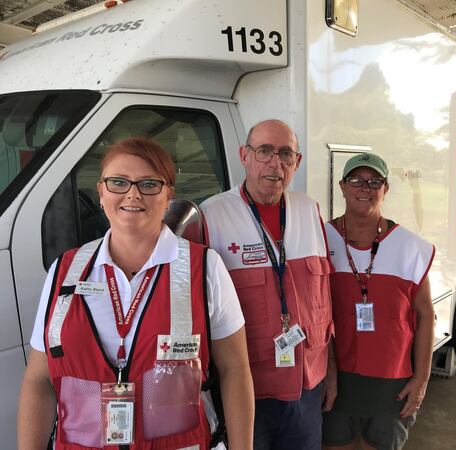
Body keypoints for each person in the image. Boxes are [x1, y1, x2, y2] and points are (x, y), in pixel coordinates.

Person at [17, 137, 254, 450]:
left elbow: (234, 371)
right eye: (118, 182)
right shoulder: (65, 271)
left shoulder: (205, 267)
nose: (133, 193)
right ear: (101, 192)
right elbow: (38, 380)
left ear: (168, 193)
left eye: (149, 183)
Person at [201, 119, 336, 450]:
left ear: (297, 162)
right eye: (264, 151)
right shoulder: (211, 216)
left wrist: (331, 372)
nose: (275, 163)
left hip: (307, 385)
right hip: (246, 389)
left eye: (285, 153)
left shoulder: (309, 210)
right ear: (244, 155)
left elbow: (324, 301)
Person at [322, 153, 435, 450]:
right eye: (356, 180)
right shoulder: (320, 240)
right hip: (335, 379)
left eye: (374, 182)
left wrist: (421, 379)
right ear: (342, 186)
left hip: (392, 383)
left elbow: (425, 316)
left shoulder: (410, 247)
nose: (365, 188)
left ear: (386, 189)